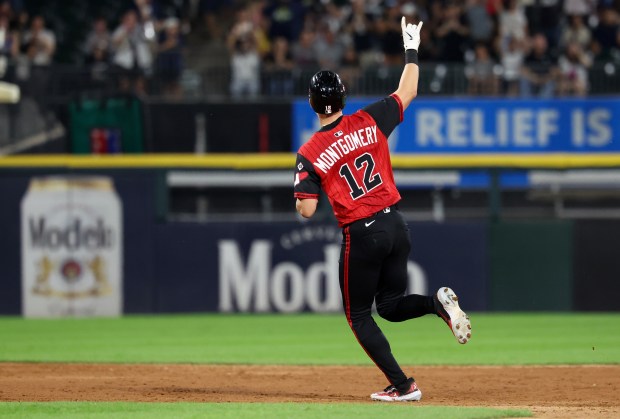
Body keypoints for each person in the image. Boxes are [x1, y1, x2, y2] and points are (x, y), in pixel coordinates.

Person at [292, 17, 471, 402]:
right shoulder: (368, 118)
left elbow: (306, 210)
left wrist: (309, 188)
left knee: (358, 316)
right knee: (388, 306)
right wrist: (411, 45)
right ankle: (436, 304)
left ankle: (404, 385)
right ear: (343, 97)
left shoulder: (310, 151)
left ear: (312, 103)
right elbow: (409, 90)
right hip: (396, 224)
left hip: (362, 231)